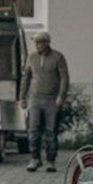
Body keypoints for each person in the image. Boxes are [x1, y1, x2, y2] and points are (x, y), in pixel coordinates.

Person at [20, 31, 69, 173]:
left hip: (51, 99)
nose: (36, 45)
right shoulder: (31, 57)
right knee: (33, 129)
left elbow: (64, 78)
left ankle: (51, 160)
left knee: (50, 131)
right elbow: (26, 77)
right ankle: (35, 158)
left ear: (46, 43)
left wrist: (61, 96)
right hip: (34, 97)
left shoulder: (58, 57)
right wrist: (22, 97)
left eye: (38, 43)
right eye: (35, 43)